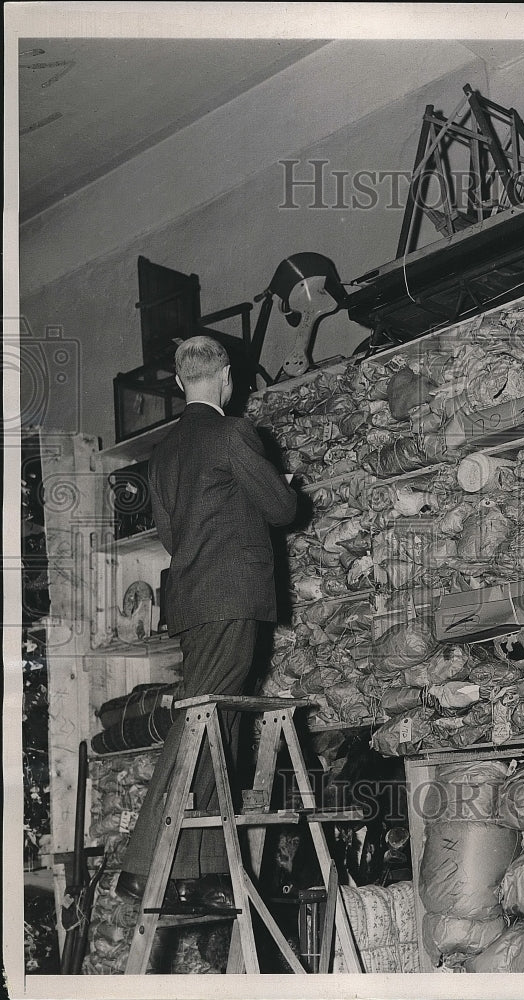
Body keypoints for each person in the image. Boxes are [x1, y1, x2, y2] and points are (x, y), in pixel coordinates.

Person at [116, 335, 297, 908]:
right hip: (232, 598)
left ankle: (208, 870)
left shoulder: (166, 452)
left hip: (192, 601)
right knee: (201, 718)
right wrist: (280, 489)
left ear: (177, 383)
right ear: (225, 378)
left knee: (219, 723)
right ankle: (143, 864)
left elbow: (171, 534)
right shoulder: (232, 433)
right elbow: (283, 510)